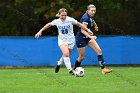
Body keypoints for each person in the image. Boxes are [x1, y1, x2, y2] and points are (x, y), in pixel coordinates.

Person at [35, 8, 94, 75]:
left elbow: (80, 24)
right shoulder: (56, 21)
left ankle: (59, 63)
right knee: (66, 53)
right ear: (59, 15)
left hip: (71, 40)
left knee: (65, 55)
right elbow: (48, 24)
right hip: (62, 40)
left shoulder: (70, 20)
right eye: (62, 15)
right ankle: (70, 70)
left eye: (65, 15)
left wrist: (88, 30)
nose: (64, 17)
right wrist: (40, 31)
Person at [74, 4, 112, 74]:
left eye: (94, 10)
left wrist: (96, 25)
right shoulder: (85, 18)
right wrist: (91, 37)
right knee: (81, 57)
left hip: (88, 38)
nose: (93, 12)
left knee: (99, 51)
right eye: (92, 10)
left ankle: (103, 69)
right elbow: (82, 30)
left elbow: (92, 21)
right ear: (88, 10)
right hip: (81, 39)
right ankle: (75, 69)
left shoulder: (90, 16)